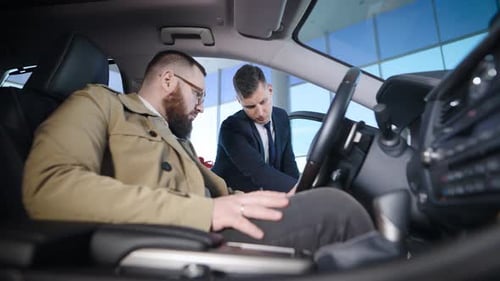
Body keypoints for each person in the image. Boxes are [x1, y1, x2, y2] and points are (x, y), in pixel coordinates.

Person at [23, 50, 374, 253]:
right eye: (199, 94)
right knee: (336, 210)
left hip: (204, 227)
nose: (201, 107)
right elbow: (49, 188)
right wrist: (203, 212)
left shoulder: (176, 137)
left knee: (325, 198)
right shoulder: (99, 103)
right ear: (168, 80)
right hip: (170, 239)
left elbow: (222, 192)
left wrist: (280, 199)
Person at [212, 65, 299, 192]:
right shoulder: (231, 128)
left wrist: (302, 192)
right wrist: (298, 190)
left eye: (263, 102)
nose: (260, 113)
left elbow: (289, 163)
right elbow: (258, 171)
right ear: (239, 101)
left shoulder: (281, 117)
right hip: (231, 197)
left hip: (265, 196)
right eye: (251, 107)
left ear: (270, 90)